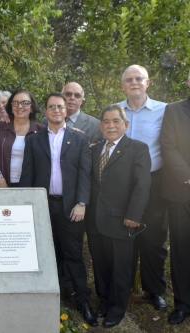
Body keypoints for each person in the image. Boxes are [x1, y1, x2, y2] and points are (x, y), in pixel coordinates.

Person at [20, 92, 97, 327]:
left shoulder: (80, 139)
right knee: (44, 253)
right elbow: (27, 174)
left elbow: (85, 174)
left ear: (66, 111)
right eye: (51, 107)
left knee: (73, 254)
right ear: (45, 112)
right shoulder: (34, 140)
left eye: (60, 107)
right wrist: (27, 207)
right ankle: (44, 295)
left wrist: (82, 203)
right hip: (42, 206)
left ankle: (82, 299)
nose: (56, 110)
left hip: (70, 207)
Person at [86, 104, 151, 328]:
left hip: (122, 219)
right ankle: (103, 301)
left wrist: (134, 214)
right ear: (101, 125)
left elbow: (142, 185)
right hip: (95, 219)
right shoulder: (94, 149)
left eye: (115, 121)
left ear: (125, 124)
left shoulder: (138, 148)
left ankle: (117, 308)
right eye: (106, 121)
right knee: (101, 264)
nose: (110, 125)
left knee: (120, 267)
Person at [118, 65, 168, 311]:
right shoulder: (116, 110)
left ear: (148, 82)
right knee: (125, 238)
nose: (134, 82)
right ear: (123, 84)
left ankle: (154, 290)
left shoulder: (164, 111)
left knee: (153, 239)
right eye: (129, 79)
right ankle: (124, 287)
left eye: (139, 78)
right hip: (123, 185)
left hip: (153, 183)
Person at [159, 71, 190, 325]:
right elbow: (167, 146)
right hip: (182, 190)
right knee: (181, 248)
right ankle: (183, 303)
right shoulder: (174, 110)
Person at [0, 89, 45, 187]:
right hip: (3, 185)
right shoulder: (1, 126)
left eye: (25, 103)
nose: (19, 106)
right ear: (11, 107)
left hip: (32, 186)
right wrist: (0, 179)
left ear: (31, 108)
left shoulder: (41, 130)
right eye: (15, 103)